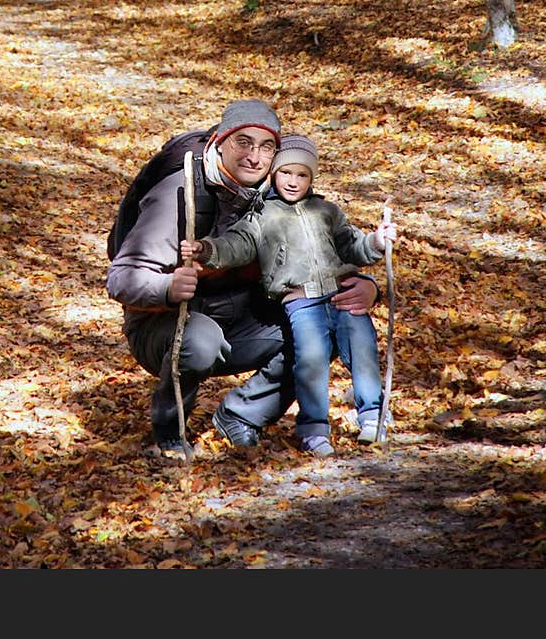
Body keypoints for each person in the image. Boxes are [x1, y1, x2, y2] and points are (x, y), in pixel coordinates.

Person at [106, 101, 379, 460]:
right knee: (199, 340)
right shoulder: (180, 193)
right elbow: (121, 277)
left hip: (238, 317)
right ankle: (170, 433)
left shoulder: (276, 195)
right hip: (163, 323)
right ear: (221, 141)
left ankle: (240, 415)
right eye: (243, 142)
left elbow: (315, 257)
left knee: (318, 326)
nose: (254, 156)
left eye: (266, 147)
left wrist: (366, 286)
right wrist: (168, 288)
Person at [182, 132, 395, 458]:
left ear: (311, 178)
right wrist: (206, 249)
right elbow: (234, 246)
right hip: (301, 302)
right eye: (285, 173)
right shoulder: (263, 217)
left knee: (362, 348)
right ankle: (313, 430)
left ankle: (373, 416)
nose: (293, 181)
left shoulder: (327, 211)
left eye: (302, 174)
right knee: (310, 360)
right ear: (273, 174)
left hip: (340, 294)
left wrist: (376, 242)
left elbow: (353, 247)